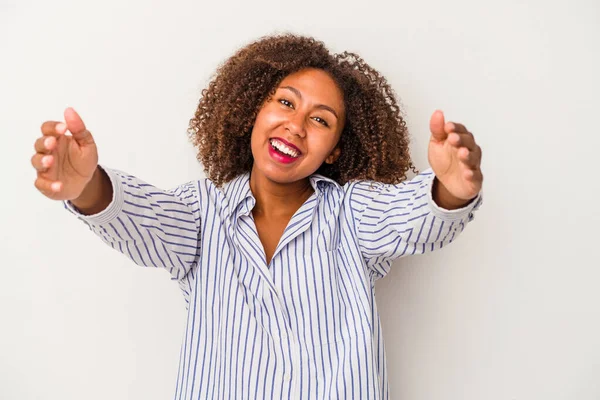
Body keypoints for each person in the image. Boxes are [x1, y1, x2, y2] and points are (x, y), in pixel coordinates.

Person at [31, 34, 483, 399]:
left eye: (321, 121)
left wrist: (450, 189)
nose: (296, 124)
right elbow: (143, 218)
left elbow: (409, 215)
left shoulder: (352, 216)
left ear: (335, 151)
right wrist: (86, 185)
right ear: (254, 111)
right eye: (285, 103)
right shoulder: (201, 214)